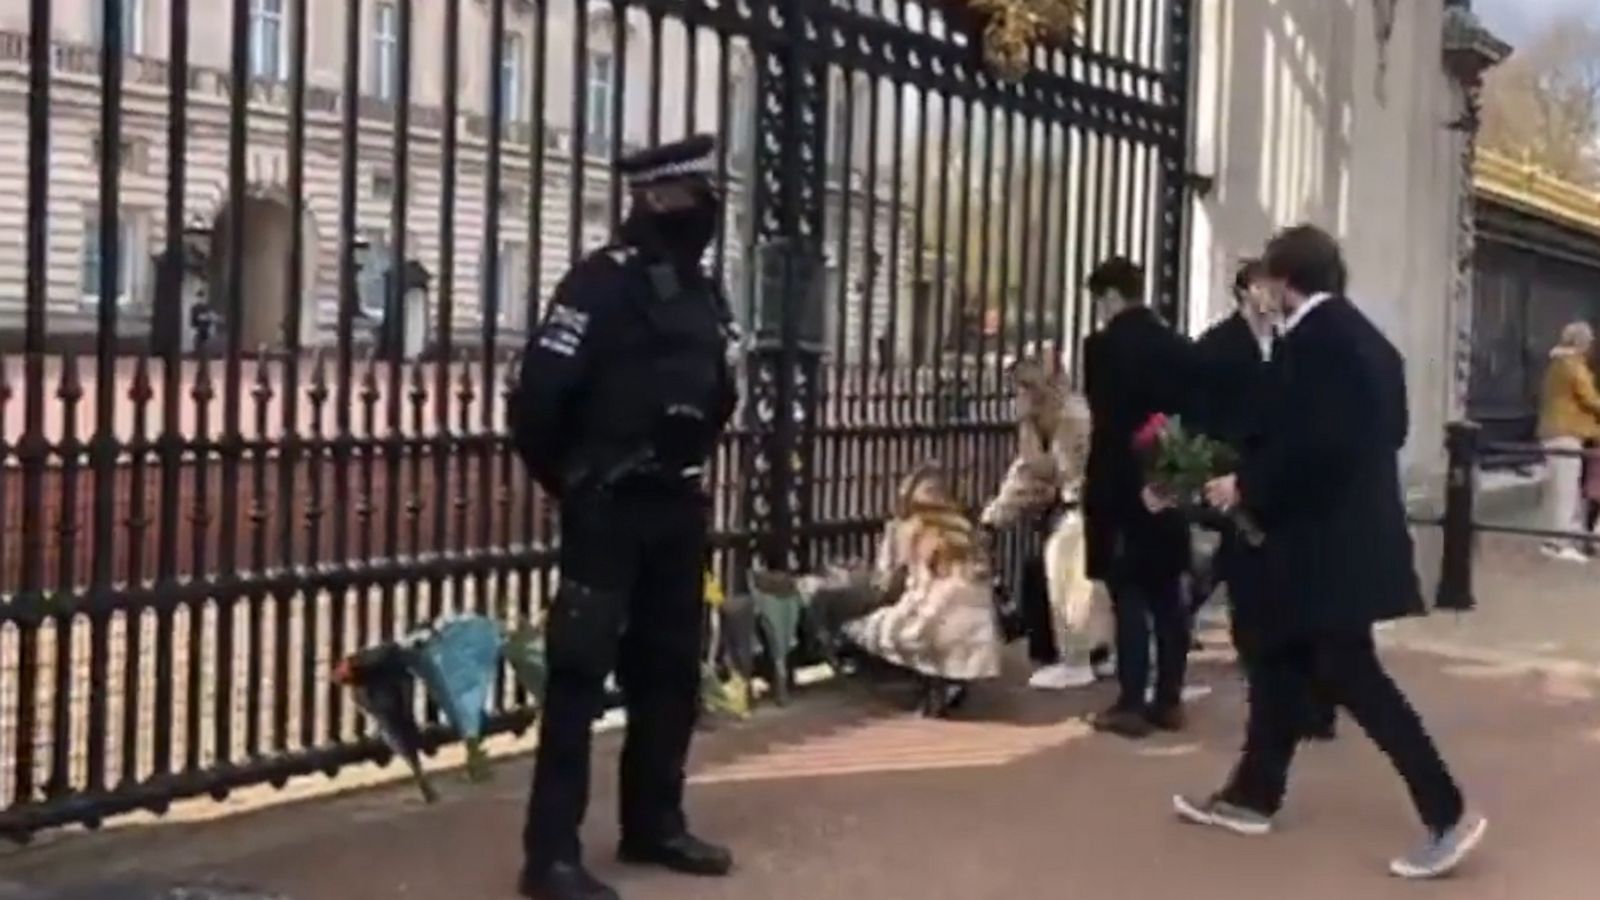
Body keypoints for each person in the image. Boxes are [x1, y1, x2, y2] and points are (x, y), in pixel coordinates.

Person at [1177, 224, 1486, 880]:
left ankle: (1446, 810)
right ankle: (1253, 795)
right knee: (1277, 662)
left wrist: (1246, 483)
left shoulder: (1318, 344)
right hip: (1332, 543)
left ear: (1284, 278)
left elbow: (1318, 445)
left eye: (1265, 276)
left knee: (1355, 678)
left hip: (1324, 548)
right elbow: (1383, 431)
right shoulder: (1365, 341)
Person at [509, 135, 740, 900]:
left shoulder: (706, 296)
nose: (703, 210)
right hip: (608, 510)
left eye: (704, 196)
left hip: (677, 506)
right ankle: (552, 857)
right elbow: (536, 400)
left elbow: (719, 395)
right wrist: (575, 480)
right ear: (652, 200)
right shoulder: (596, 286)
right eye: (689, 196)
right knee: (577, 677)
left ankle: (654, 821)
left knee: (670, 671)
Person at [1190, 259, 1335, 742]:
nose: (1271, 295)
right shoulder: (1216, 346)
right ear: (1244, 291)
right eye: (1263, 286)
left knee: (1275, 590)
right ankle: (1279, 699)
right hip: (1237, 482)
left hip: (1279, 489)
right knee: (1248, 588)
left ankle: (1304, 704)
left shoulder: (1293, 344)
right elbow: (1201, 416)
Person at [1080, 256, 1195, 737]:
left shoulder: (1102, 348)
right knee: (1168, 591)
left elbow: (1105, 421)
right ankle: (1168, 699)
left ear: (1109, 297)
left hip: (1119, 481)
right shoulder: (1176, 346)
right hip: (1167, 476)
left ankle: (1130, 700)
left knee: (1128, 590)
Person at [809, 464, 1005, 717]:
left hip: (933, 619)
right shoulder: (964, 528)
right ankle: (949, 683)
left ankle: (929, 684)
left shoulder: (910, 528)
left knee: (866, 628)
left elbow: (889, 584)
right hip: (979, 628)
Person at [980, 358, 1112, 689]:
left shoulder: (1071, 417)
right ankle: (1090, 653)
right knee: (1063, 578)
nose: (1022, 395)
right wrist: (994, 517)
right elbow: (1027, 475)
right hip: (1080, 508)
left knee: (1072, 580)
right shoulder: (1060, 413)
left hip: (1081, 508)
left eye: (1027, 386)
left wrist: (1025, 425)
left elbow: (1044, 472)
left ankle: (1078, 659)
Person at [1535, 321, 1600, 563]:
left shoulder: (1557, 364)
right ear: (1580, 342)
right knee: (1565, 490)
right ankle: (1559, 543)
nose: (1591, 345)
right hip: (1566, 432)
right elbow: (1590, 398)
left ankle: (1557, 539)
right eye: (1589, 341)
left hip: (1555, 431)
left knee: (1558, 490)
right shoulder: (1572, 365)